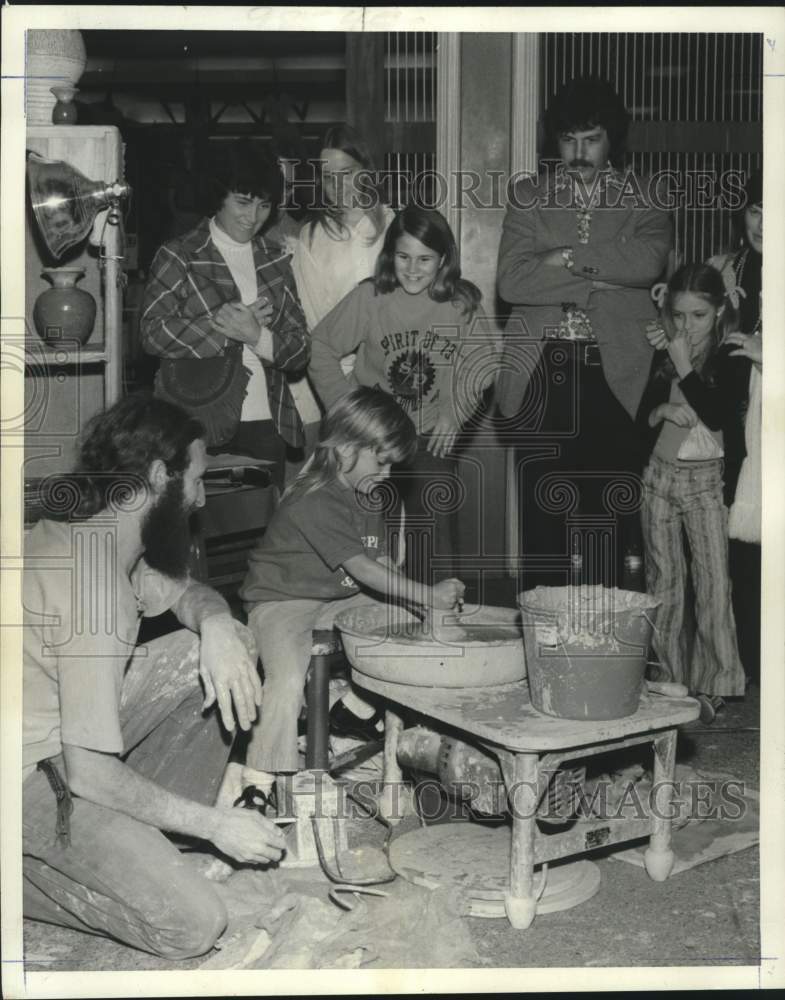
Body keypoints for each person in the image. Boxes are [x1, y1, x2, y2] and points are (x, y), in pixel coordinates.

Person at [22, 395, 286, 959]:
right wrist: (215, 825)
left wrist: (216, 623)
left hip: (48, 740)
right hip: (25, 780)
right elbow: (87, 772)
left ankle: (154, 838)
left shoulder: (98, 539)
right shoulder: (97, 592)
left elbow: (186, 592)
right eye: (196, 480)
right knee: (192, 923)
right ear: (157, 476)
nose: (200, 499)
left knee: (210, 651)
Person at [238, 387, 466, 787]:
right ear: (344, 450)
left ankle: (354, 707)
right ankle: (260, 776)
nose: (388, 474)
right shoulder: (315, 497)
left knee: (410, 624)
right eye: (380, 462)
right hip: (281, 601)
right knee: (287, 680)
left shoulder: (370, 493)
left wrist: (418, 604)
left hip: (336, 595)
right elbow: (362, 569)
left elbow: (378, 562)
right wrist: (428, 593)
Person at [496, 75, 672, 590]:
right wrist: (606, 274)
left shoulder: (647, 196)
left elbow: (647, 262)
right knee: (542, 527)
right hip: (539, 374)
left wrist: (564, 260)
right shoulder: (528, 195)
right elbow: (511, 280)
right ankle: (544, 654)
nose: (579, 152)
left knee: (606, 528)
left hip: (615, 375)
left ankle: (603, 657)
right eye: (568, 139)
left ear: (612, 138)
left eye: (591, 138)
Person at [308, 204, 489, 583]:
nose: (412, 268)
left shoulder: (461, 303)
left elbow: (481, 364)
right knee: (370, 533)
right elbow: (320, 347)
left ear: (444, 261)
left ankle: (437, 614)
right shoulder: (371, 296)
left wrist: (454, 412)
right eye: (403, 256)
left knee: (434, 529)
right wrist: (349, 411)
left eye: (425, 259)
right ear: (390, 255)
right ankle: (370, 615)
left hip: (429, 434)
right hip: (373, 439)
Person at [140, 139, 309, 486]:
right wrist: (225, 327)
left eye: (264, 205)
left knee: (261, 531)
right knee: (198, 531)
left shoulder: (276, 259)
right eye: (243, 202)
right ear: (218, 195)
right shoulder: (180, 255)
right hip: (195, 420)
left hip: (267, 422)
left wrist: (257, 336)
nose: (253, 217)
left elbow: (301, 350)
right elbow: (152, 332)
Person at [636, 263, 747, 721]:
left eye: (698, 316)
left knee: (713, 586)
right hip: (658, 478)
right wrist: (661, 408)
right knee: (663, 583)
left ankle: (716, 682)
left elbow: (719, 414)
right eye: (678, 316)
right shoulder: (665, 354)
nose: (686, 327)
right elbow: (642, 416)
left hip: (707, 483)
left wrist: (684, 363)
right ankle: (666, 680)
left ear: (720, 311)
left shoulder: (731, 355)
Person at [286, 124, 396, 471]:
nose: (338, 186)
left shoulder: (398, 225)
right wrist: (345, 394)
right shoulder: (313, 236)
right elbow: (317, 324)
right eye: (328, 177)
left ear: (367, 171)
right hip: (341, 388)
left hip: (398, 376)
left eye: (347, 173)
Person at [710, 171, 763, 685]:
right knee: (738, 552)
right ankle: (745, 662)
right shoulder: (725, 267)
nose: (763, 223)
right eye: (755, 210)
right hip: (731, 425)